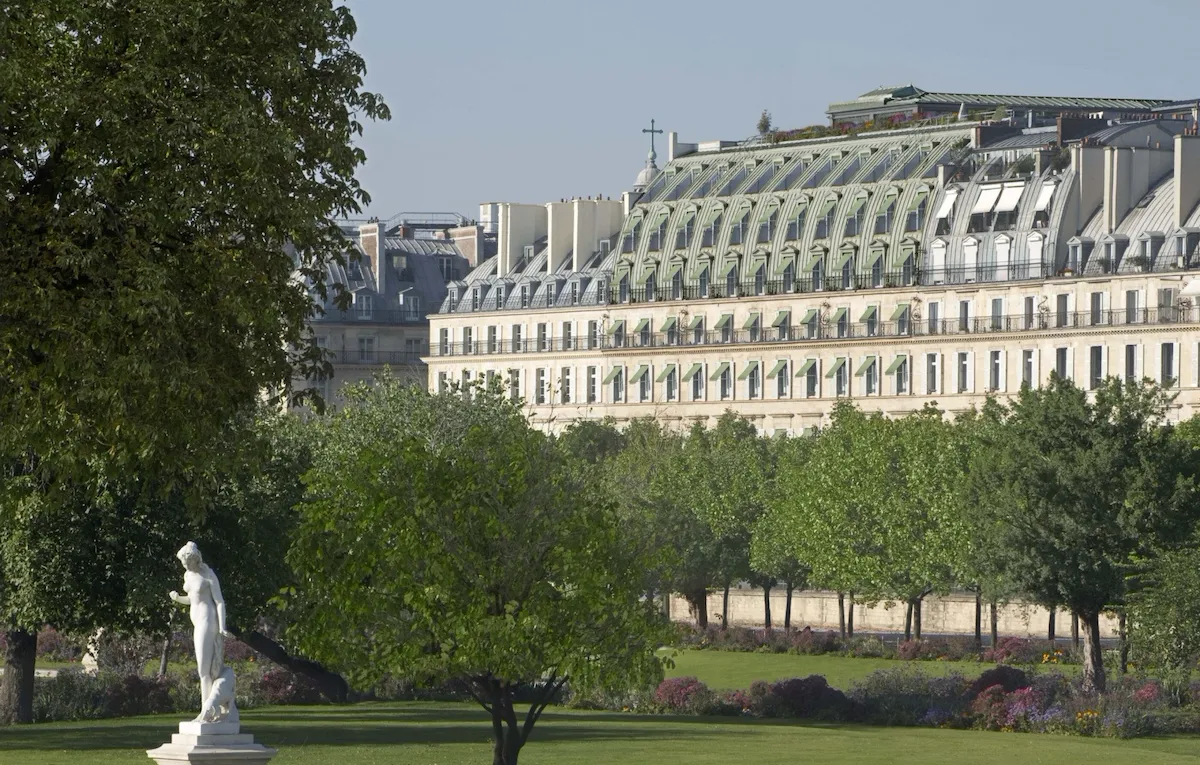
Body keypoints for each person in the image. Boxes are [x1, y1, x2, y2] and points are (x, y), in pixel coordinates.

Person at [169, 541, 234, 721]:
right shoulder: (188, 575)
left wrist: (222, 627)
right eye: (183, 563)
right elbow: (192, 599)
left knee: (204, 670)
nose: (186, 566)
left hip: (208, 621)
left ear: (196, 559)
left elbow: (219, 601)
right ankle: (210, 709)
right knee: (205, 669)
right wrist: (177, 598)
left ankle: (206, 713)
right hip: (198, 623)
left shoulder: (208, 574)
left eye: (187, 562)